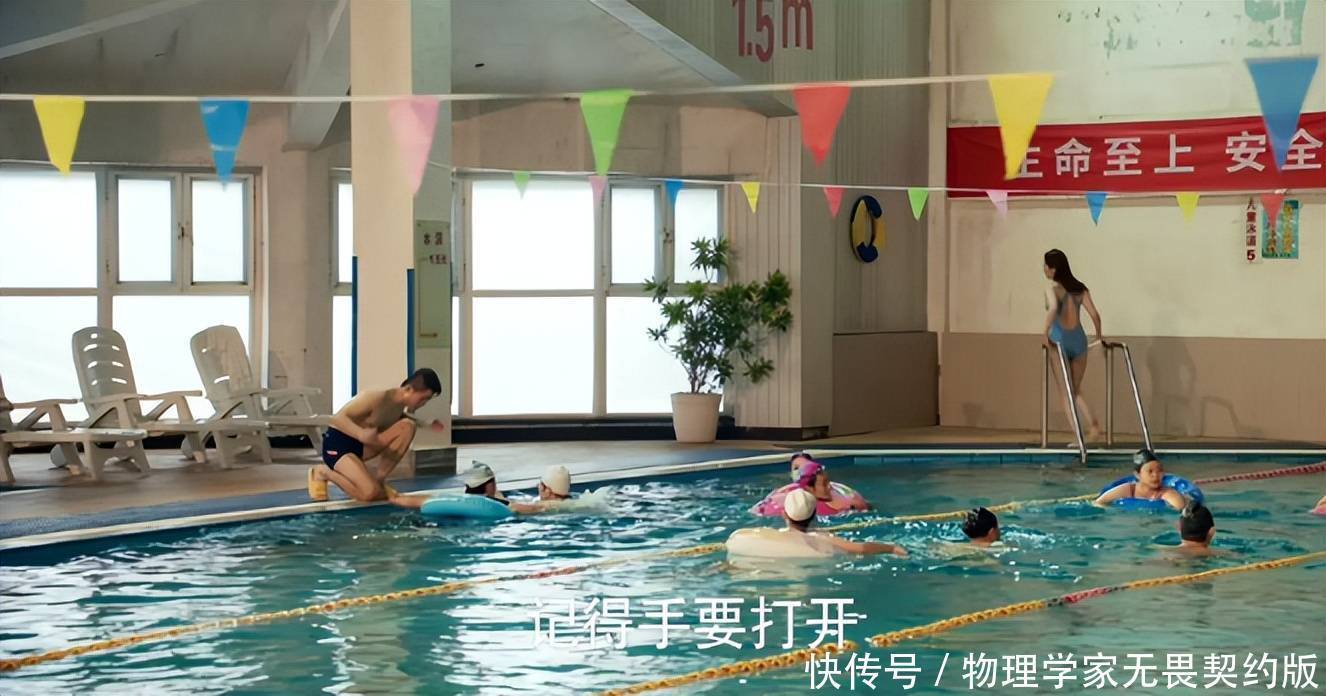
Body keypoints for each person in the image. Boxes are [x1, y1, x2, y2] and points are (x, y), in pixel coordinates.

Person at [307, 368, 445, 503]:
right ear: (408, 389)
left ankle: (378, 480)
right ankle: (323, 472)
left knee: (408, 426)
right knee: (370, 494)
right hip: (337, 446)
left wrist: (427, 424)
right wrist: (360, 433)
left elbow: (401, 418)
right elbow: (336, 419)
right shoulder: (375, 397)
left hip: (361, 447)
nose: (423, 404)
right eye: (423, 399)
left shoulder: (398, 406)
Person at [1042, 249, 1103, 442]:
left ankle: (1079, 437)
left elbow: (1053, 309)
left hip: (1059, 341)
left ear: (1053, 269)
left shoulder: (1052, 290)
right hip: (1079, 341)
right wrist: (1098, 336)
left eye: (1046, 266)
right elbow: (1095, 315)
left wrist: (1044, 332)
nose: (1044, 269)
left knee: (1065, 393)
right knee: (1075, 389)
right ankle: (1094, 425)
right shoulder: (1080, 289)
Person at [783, 488, 907, 557]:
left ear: (784, 514)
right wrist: (892, 548)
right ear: (814, 515)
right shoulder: (823, 539)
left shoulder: (773, 535)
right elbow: (861, 548)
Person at [1093, 449, 1188, 511]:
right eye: (1150, 471)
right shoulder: (1129, 490)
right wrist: (1114, 511)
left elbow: (1180, 508)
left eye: (1159, 470)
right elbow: (1098, 503)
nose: (1156, 475)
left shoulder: (1166, 493)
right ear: (1137, 475)